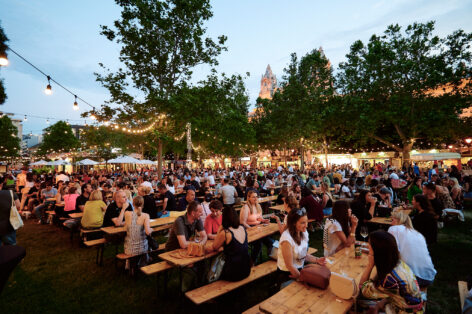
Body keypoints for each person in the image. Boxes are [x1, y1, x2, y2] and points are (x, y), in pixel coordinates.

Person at [359, 230, 423, 313]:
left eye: (369, 244)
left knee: (361, 303)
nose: (368, 246)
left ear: (377, 252)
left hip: (406, 311)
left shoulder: (388, 279)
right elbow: (396, 292)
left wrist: (370, 265)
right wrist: (379, 304)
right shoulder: (398, 262)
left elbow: (363, 289)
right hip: (409, 303)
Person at [277, 208, 326, 284]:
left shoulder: (303, 233)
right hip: (288, 274)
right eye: (303, 223)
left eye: (306, 221)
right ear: (294, 223)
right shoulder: (286, 239)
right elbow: (289, 266)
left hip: (299, 269)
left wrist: (317, 260)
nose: (306, 225)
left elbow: (302, 255)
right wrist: (302, 278)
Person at [388, 210, 436, 288]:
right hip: (429, 276)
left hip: (414, 277)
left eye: (392, 220)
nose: (390, 223)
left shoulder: (394, 229)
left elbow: (391, 253)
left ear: (399, 220)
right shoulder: (417, 234)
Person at [211, 206, 251, 281]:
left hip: (233, 273)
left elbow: (214, 247)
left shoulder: (225, 233)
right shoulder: (242, 228)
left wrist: (219, 229)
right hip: (246, 269)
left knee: (214, 265)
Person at [240, 190, 273, 263]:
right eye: (253, 197)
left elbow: (259, 218)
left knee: (270, 242)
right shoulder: (246, 207)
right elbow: (242, 222)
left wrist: (264, 220)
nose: (255, 199)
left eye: (256, 197)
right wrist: (251, 229)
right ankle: (252, 262)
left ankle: (272, 256)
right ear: (248, 198)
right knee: (259, 244)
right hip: (248, 228)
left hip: (258, 227)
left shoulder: (258, 206)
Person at [122, 196, 152, 268]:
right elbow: (148, 232)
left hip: (128, 248)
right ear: (142, 204)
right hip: (142, 248)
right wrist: (152, 229)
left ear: (133, 203)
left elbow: (125, 227)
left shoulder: (127, 213)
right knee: (147, 240)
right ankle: (145, 259)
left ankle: (130, 263)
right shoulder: (145, 215)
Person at [0, 177, 21, 245]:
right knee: (10, 249)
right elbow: (18, 206)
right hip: (8, 226)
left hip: (7, 226)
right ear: (2, 184)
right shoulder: (11, 193)